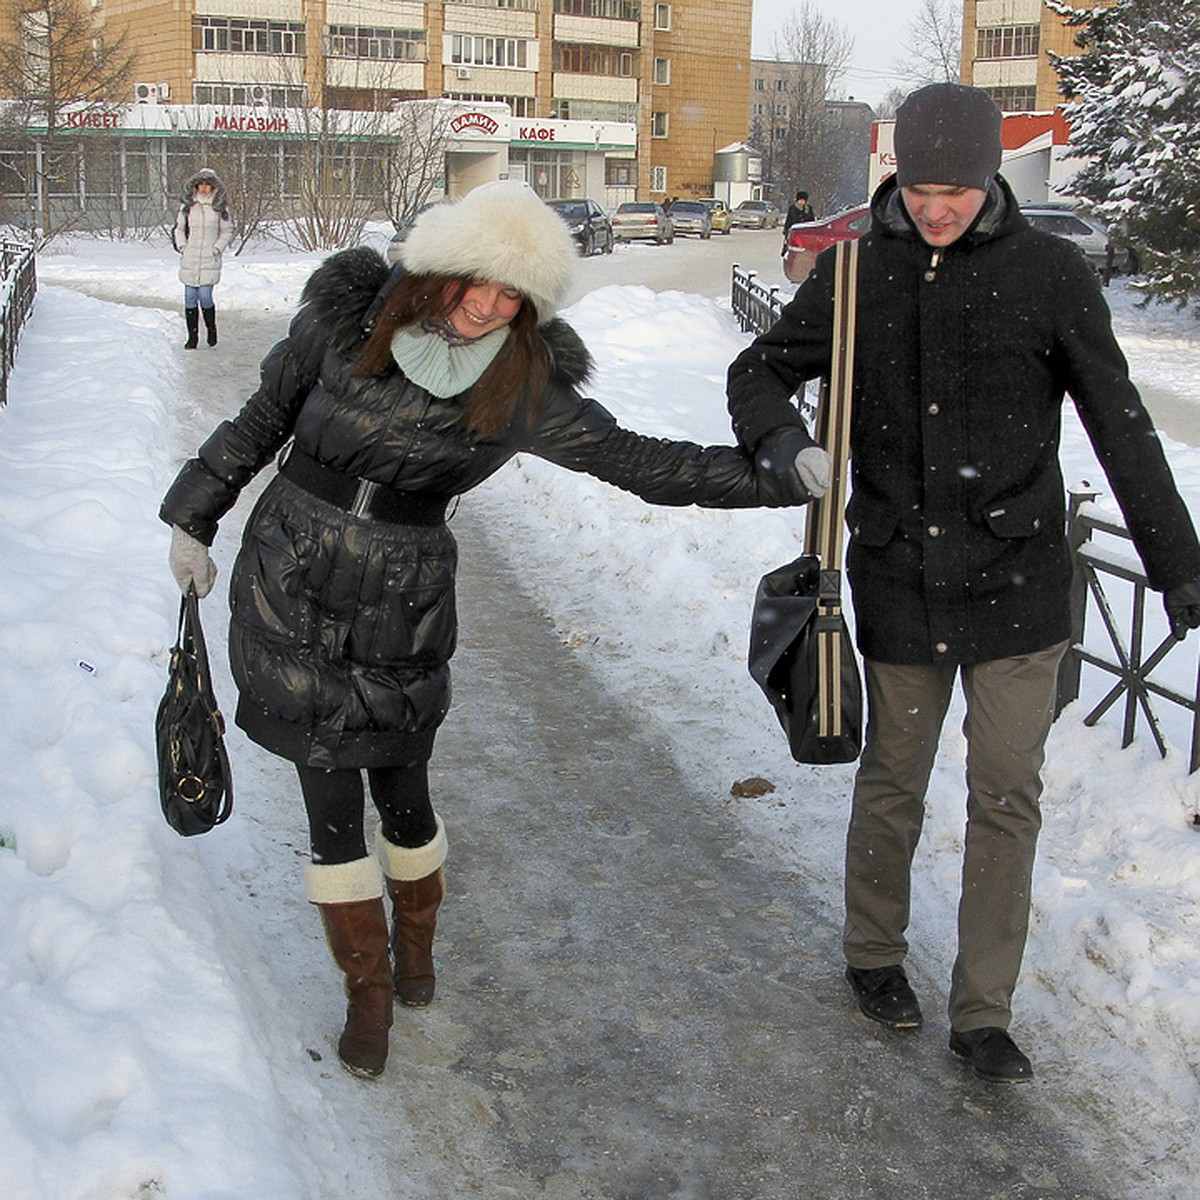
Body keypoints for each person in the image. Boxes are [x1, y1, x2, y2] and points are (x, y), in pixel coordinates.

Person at [160, 181, 817, 1079]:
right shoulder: (345, 320)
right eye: (477, 280)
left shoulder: (523, 384)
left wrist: (779, 475)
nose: (487, 304)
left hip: (404, 593)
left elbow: (637, 463)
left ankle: (417, 950)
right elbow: (258, 421)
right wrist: (194, 517)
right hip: (293, 572)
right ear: (440, 267)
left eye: (512, 295)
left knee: (402, 779)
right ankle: (370, 991)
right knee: (326, 786)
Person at [727, 83, 1200, 1083]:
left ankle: (983, 1011)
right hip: (900, 572)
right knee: (893, 778)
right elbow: (759, 370)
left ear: (989, 180)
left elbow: (1121, 423)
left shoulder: (1050, 275)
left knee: (1006, 798)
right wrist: (784, 444)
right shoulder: (856, 273)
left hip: (1021, 584)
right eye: (922, 186)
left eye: (958, 188)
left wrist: (1178, 565)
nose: (938, 208)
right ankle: (873, 955)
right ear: (900, 177)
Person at [173, 167, 233, 349]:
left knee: (205, 296)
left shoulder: (220, 207)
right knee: (190, 298)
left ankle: (211, 329)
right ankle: (192, 338)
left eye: (208, 184)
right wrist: (183, 246)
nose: (204, 188)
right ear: (196, 185)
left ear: (214, 186)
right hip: (190, 258)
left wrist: (217, 248)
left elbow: (227, 231)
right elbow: (179, 228)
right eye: (201, 184)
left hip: (209, 258)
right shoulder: (188, 206)